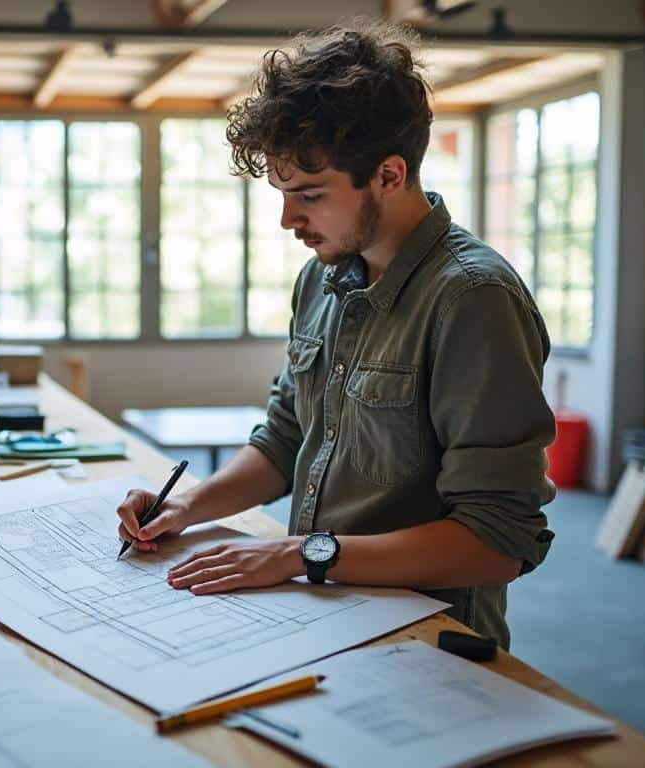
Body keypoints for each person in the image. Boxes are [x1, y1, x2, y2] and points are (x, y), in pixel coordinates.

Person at [115, 22, 556, 649]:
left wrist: (303, 555)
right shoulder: (321, 280)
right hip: (317, 612)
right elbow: (286, 436)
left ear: (389, 174)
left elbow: (497, 542)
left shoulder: (473, 299)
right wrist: (188, 507)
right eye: (283, 194)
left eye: (309, 196)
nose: (287, 219)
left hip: (425, 638)